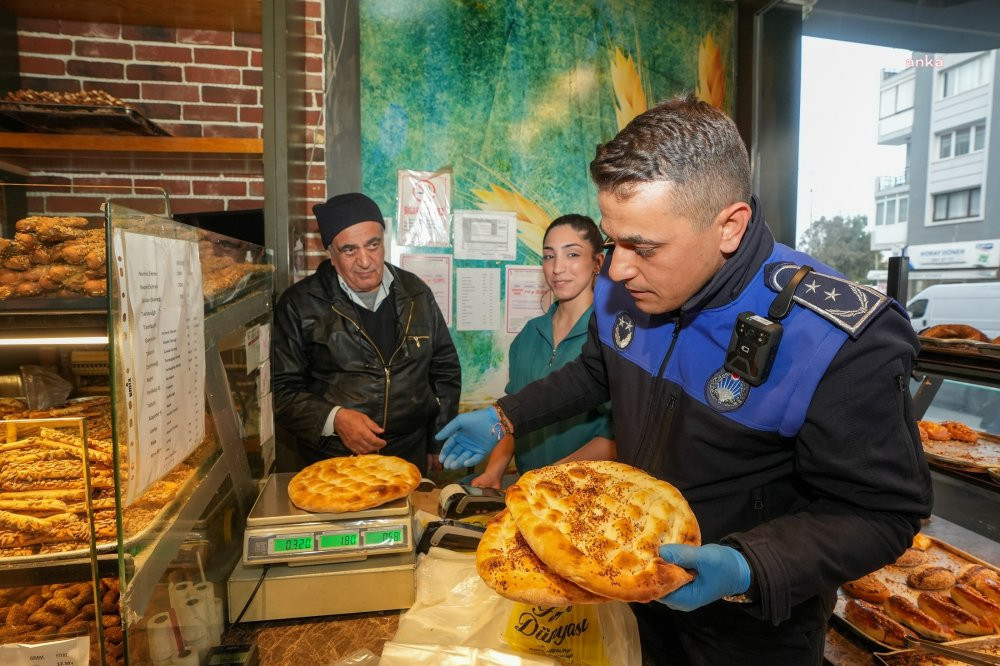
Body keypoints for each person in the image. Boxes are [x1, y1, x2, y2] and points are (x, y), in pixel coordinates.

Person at [436, 95, 932, 664]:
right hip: (631, 583)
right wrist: (507, 414)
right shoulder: (629, 288)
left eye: (642, 247)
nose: (616, 269)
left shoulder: (839, 340)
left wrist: (750, 563)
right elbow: (597, 370)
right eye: (611, 240)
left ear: (729, 226)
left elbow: (884, 512)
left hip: (751, 622)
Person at [273, 192, 461, 475]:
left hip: (407, 456)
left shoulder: (416, 293)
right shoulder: (299, 304)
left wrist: (437, 440)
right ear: (332, 255)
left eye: (372, 245)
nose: (365, 261)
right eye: (349, 250)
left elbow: (444, 370)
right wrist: (334, 418)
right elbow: (282, 391)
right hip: (334, 462)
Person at [470, 214, 615, 489]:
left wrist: (550, 478)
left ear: (598, 262)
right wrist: (493, 472)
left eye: (572, 254)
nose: (558, 268)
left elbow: (617, 439)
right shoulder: (528, 335)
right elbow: (515, 417)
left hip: (588, 494)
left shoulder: (611, 338)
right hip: (531, 493)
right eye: (549, 257)